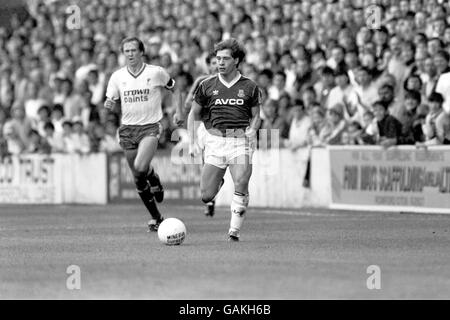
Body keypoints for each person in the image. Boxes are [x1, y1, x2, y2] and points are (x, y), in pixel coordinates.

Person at [104, 37, 183, 233]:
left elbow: (176, 89)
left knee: (140, 166)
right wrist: (109, 104)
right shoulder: (117, 76)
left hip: (150, 127)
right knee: (138, 178)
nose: (130, 54)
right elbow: (110, 97)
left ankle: (153, 177)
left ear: (141, 52)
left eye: (133, 50)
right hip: (128, 129)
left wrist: (179, 111)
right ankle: (156, 217)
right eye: (126, 51)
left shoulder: (155, 72)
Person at [187, 38, 261, 241]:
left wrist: (253, 129)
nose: (220, 62)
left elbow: (256, 115)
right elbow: (193, 114)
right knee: (206, 196)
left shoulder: (249, 86)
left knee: (241, 180)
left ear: (236, 60)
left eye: (225, 59)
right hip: (215, 142)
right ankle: (218, 182)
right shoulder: (206, 85)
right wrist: (193, 141)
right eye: (218, 58)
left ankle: (234, 231)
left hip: (239, 141)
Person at [184, 51, 220, 217]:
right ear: (208, 65)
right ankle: (211, 200)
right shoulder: (201, 80)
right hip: (205, 127)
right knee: (207, 162)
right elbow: (187, 103)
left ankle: (218, 184)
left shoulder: (232, 82)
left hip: (225, 127)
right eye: (213, 62)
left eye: (219, 61)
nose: (217, 65)